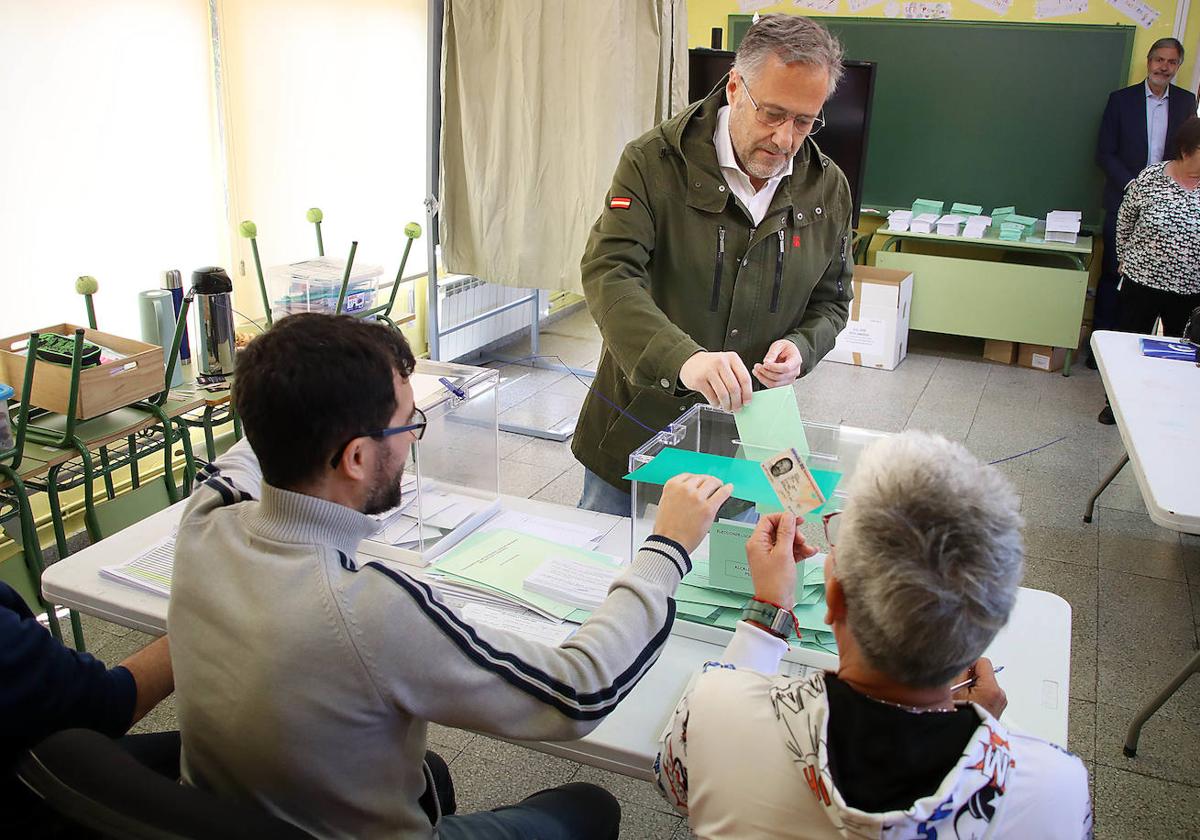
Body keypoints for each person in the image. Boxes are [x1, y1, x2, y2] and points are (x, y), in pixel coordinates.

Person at [168, 313, 733, 840]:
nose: (416, 434)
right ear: (357, 458)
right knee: (591, 805)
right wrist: (667, 548)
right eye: (408, 423)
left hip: (239, 816)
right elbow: (577, 692)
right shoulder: (367, 608)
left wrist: (352, 369)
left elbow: (270, 418)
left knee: (431, 771)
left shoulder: (205, 517)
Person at [656, 431, 1092, 838]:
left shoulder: (714, 708)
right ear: (990, 622)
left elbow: (676, 785)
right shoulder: (1057, 789)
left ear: (835, 600)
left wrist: (767, 613)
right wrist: (977, 732)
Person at [573, 14, 854, 516]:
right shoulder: (653, 162)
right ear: (734, 87)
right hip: (639, 421)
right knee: (607, 574)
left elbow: (832, 302)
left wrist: (801, 347)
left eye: (805, 121)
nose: (786, 139)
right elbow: (609, 274)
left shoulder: (827, 188)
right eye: (772, 113)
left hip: (748, 440)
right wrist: (684, 359)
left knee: (730, 579)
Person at [2, 582, 175, 834]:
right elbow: (110, 703)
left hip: (36, 758)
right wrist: (201, 621)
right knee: (218, 755)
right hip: (34, 794)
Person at [1093, 37, 1197, 367]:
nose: (1164, 67)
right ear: (1148, 62)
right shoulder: (1121, 101)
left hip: (1171, 202)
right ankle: (1101, 355)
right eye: (1158, 60)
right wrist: (1135, 185)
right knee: (1114, 277)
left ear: (1178, 67)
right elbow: (1105, 153)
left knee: (1160, 304)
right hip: (1126, 198)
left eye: (1171, 62)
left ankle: (1158, 364)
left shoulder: (1185, 102)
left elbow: (1187, 150)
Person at [1096, 116, 1200, 424]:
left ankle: (1172, 405)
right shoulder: (1152, 177)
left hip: (1189, 287)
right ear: (1185, 150)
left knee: (1185, 352)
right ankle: (1115, 403)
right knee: (1129, 343)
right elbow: (1125, 219)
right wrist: (1125, 257)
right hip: (1142, 279)